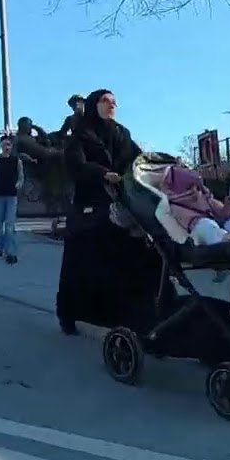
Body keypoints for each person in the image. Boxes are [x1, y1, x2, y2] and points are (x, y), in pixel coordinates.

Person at [56, 89, 164, 336]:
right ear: (95, 105)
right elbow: (75, 164)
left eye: (114, 101)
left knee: (136, 254)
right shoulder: (81, 135)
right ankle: (68, 314)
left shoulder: (121, 133)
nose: (112, 105)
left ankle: (144, 315)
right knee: (81, 265)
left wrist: (163, 166)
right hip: (90, 209)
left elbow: (140, 159)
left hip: (121, 204)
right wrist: (101, 173)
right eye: (106, 100)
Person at [161, 165, 230, 245]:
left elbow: (221, 211)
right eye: (190, 186)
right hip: (197, 231)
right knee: (206, 225)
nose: (196, 190)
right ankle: (227, 241)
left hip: (218, 225)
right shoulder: (175, 204)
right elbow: (184, 222)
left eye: (196, 186)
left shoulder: (205, 197)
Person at [0, 134, 24, 264]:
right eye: (4, 145)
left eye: (9, 145)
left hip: (11, 196)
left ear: (11, 146)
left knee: (9, 225)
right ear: (1, 146)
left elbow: (21, 176)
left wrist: (19, 183)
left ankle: (10, 252)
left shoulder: (16, 161)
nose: (6, 147)